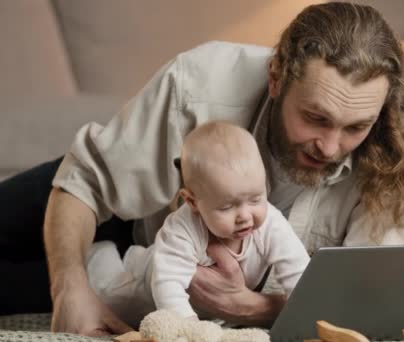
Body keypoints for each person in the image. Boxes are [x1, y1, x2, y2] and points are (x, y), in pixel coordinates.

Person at [0, 2, 404, 336]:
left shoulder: (394, 149)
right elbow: (83, 183)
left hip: (140, 269)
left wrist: (256, 309)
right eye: (315, 118)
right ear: (276, 77)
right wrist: (69, 288)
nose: (331, 147)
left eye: (355, 126)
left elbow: (371, 308)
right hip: (130, 204)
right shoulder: (201, 82)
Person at [85, 121, 309, 328]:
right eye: (227, 207)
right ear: (192, 201)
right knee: (106, 291)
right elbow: (168, 285)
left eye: (256, 198)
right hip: (143, 285)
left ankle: (123, 255)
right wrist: (188, 327)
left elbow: (298, 269)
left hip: (187, 287)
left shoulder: (271, 222)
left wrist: (308, 315)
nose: (245, 216)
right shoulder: (182, 229)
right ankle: (97, 253)